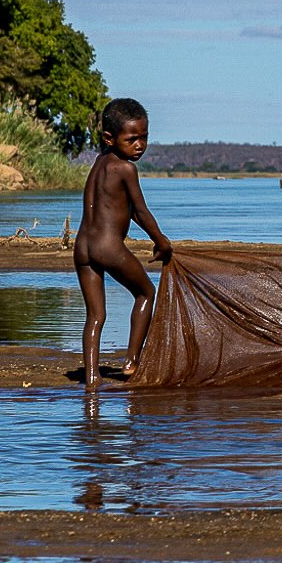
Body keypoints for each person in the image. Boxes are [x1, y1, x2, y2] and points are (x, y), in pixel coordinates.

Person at [76, 97, 174, 390]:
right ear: (109, 138)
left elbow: (119, 208)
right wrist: (162, 242)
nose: (140, 145)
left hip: (82, 248)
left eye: (144, 138)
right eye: (132, 139)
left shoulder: (99, 162)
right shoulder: (126, 169)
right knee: (146, 292)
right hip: (108, 248)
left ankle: (92, 379)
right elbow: (140, 211)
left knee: (95, 315)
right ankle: (132, 361)